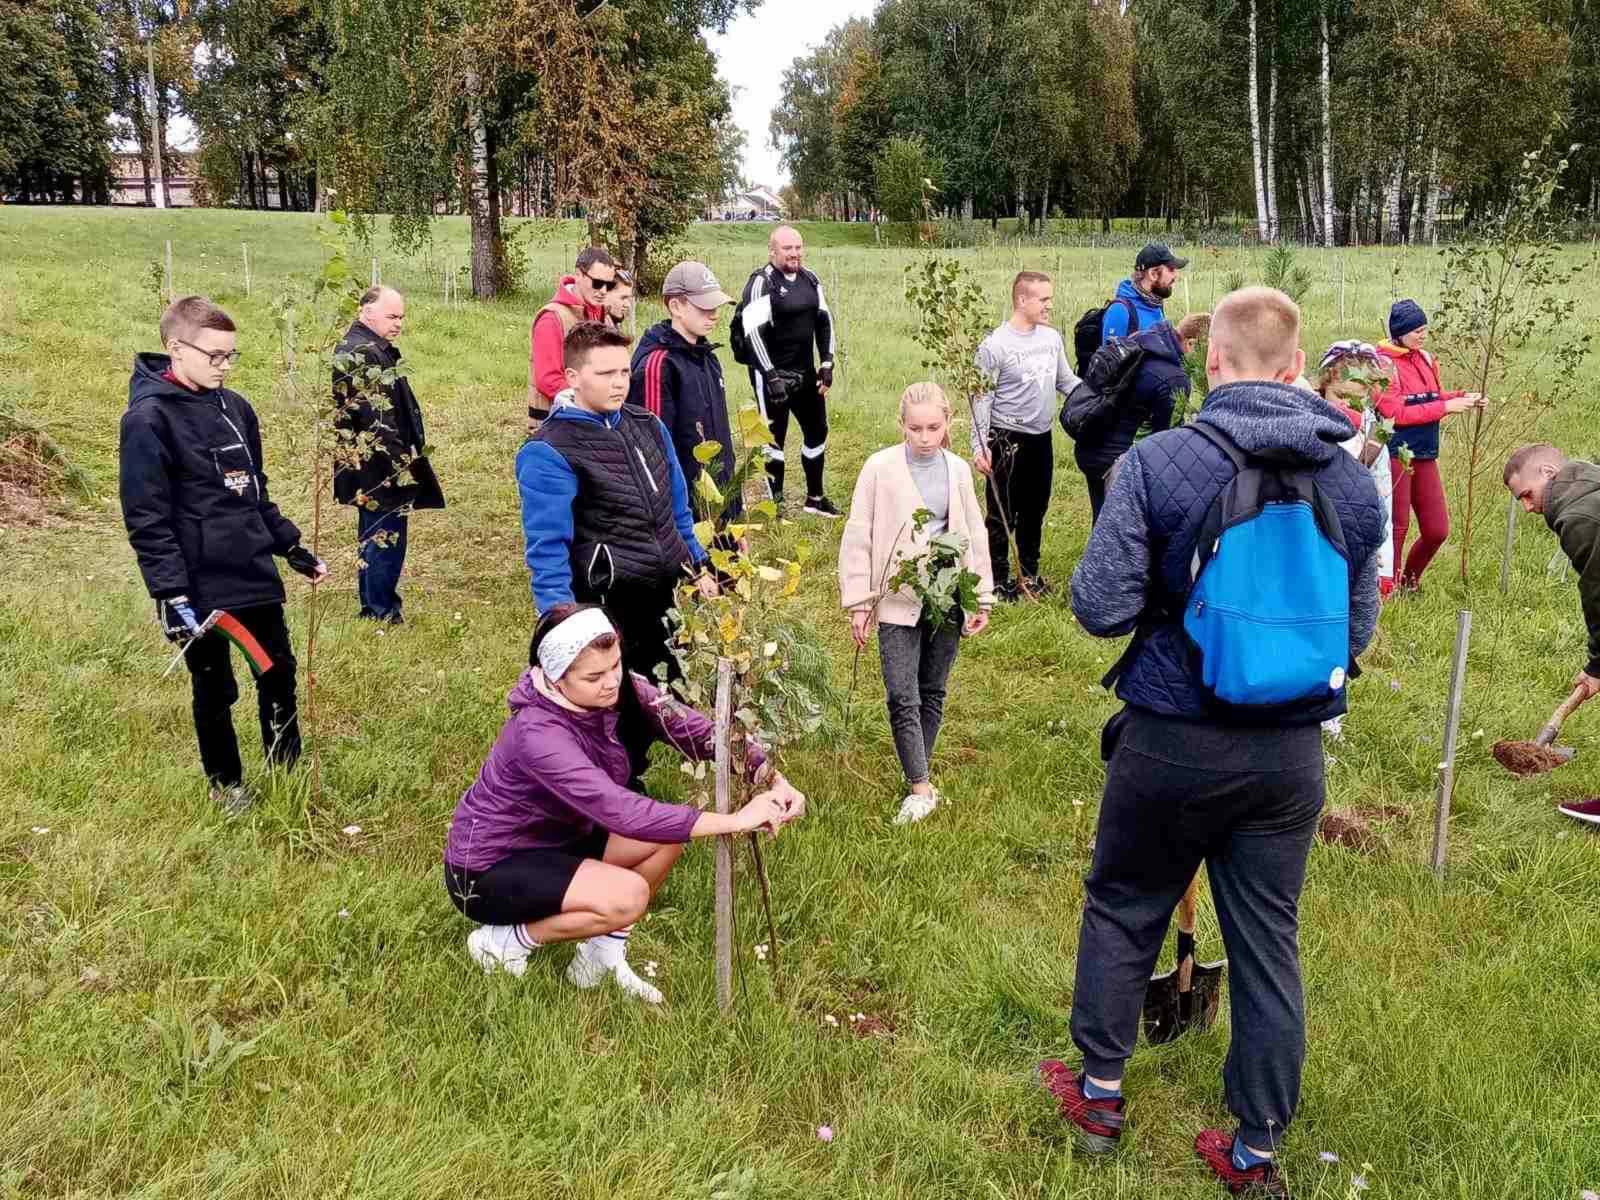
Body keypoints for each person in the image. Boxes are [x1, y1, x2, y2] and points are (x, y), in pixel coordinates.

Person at [1046, 287, 1386, 1194]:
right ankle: (1256, 1151)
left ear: (1215, 364)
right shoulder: (1353, 484)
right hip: (1288, 758)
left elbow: (1096, 606)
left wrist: (1173, 606)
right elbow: (1353, 638)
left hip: (1171, 737)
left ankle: (1101, 1097)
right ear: (1293, 369)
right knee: (1270, 940)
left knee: (1124, 903)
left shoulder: (1160, 463)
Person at [445, 604, 807, 1000]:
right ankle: (506, 943)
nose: (611, 682)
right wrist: (735, 820)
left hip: (562, 838)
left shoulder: (623, 690)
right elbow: (621, 811)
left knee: (667, 839)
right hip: (490, 866)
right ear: (555, 677)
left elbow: (696, 730)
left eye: (615, 664)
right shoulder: (537, 733)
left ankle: (600, 954)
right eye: (594, 676)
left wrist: (772, 776)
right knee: (629, 895)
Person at [119, 296, 328, 816]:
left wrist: (290, 544)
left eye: (231, 356)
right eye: (214, 355)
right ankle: (226, 783)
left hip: (251, 571)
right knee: (216, 688)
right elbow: (147, 519)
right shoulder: (147, 420)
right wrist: (168, 592)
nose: (224, 366)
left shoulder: (236, 408)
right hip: (198, 587)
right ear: (176, 349)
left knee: (277, 672)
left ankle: (286, 771)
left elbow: (253, 493)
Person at [516, 321, 718, 777]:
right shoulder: (549, 451)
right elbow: (546, 549)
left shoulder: (648, 426)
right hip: (608, 602)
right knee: (611, 703)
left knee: (660, 688)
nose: (619, 383)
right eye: (605, 373)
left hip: (665, 591)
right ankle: (611, 793)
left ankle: (640, 773)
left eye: (625, 372)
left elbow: (677, 508)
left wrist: (698, 566)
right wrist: (560, 625)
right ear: (572, 378)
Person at [838, 383, 994, 825]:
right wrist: (859, 602)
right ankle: (921, 787)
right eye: (915, 428)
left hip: (945, 597)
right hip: (895, 598)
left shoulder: (959, 470)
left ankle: (916, 771)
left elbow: (973, 533)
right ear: (901, 426)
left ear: (948, 424)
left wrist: (979, 595)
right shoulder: (879, 469)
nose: (924, 437)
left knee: (932, 689)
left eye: (934, 427)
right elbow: (859, 534)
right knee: (901, 693)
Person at [1503, 444, 1600, 828]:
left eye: (1526, 494)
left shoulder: (1579, 517)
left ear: (1548, 471)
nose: (1526, 507)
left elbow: (1598, 594)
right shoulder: (1590, 480)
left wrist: (1597, 665)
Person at [971, 270, 1080, 600]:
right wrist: (980, 446)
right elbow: (981, 397)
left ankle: (1029, 575)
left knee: (1036, 509)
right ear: (1022, 300)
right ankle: (999, 578)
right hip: (1006, 440)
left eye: (1050, 298)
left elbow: (1066, 381)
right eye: (1044, 299)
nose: (1050, 305)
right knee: (1002, 512)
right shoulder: (995, 346)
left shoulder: (1051, 338)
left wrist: (1099, 398)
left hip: (1040, 439)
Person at [332, 286, 436, 624]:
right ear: (366, 312)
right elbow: (377, 420)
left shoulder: (375, 348)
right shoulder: (362, 352)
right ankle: (380, 610)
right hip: (378, 467)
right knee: (383, 538)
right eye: (392, 316)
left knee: (377, 535)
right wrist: (398, 468)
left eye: (401, 317)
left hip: (376, 463)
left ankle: (375, 604)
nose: (398, 323)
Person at [1376, 299, 1487, 593]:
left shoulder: (1424, 358)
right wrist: (1447, 407)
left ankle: (1409, 583)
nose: (1422, 335)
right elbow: (1395, 413)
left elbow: (1432, 397)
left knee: (1437, 529)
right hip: (1395, 453)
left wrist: (1464, 396)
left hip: (1424, 453)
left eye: (1425, 329)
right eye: (1416, 330)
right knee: (1397, 529)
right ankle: (1388, 593)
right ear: (1399, 332)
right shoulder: (1383, 364)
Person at [735, 224, 840, 517]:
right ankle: (774, 505)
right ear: (772, 251)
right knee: (773, 439)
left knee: (817, 430)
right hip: (771, 374)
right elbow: (751, 334)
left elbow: (824, 321)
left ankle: (815, 499)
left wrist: (827, 362)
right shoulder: (761, 282)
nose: (794, 253)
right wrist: (770, 376)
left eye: (798, 247)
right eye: (787, 248)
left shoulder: (810, 279)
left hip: (805, 372)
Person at [1074, 313, 1210, 524]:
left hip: (1090, 440)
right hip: (1116, 460)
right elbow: (1165, 440)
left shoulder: (1144, 340)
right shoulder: (1174, 378)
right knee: (1117, 531)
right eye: (1205, 352)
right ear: (1191, 344)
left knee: (1101, 520)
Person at [628, 261, 738, 518]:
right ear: (675, 306)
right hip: (687, 513)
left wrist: (733, 509)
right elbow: (651, 451)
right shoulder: (658, 366)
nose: (714, 314)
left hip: (719, 502)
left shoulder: (708, 356)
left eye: (716, 307)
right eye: (704, 307)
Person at [1311, 340, 1395, 596]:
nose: (1347, 405)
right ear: (1324, 387)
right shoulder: (1306, 427)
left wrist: (1382, 560)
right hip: (1313, 545)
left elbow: (1382, 500)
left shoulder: (1373, 438)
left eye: (1357, 400)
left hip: (1356, 545)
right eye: (1340, 396)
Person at [528, 247, 618, 435]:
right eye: (597, 283)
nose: (603, 291)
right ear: (578, 274)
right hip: (555, 426)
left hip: (595, 419)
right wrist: (595, 397)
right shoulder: (552, 318)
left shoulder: (603, 315)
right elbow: (548, 380)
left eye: (609, 285)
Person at [1099, 243, 1188, 344]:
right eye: (1171, 269)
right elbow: (1109, 358)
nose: (1176, 276)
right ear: (1153, 274)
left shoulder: (1155, 304)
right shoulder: (1120, 311)